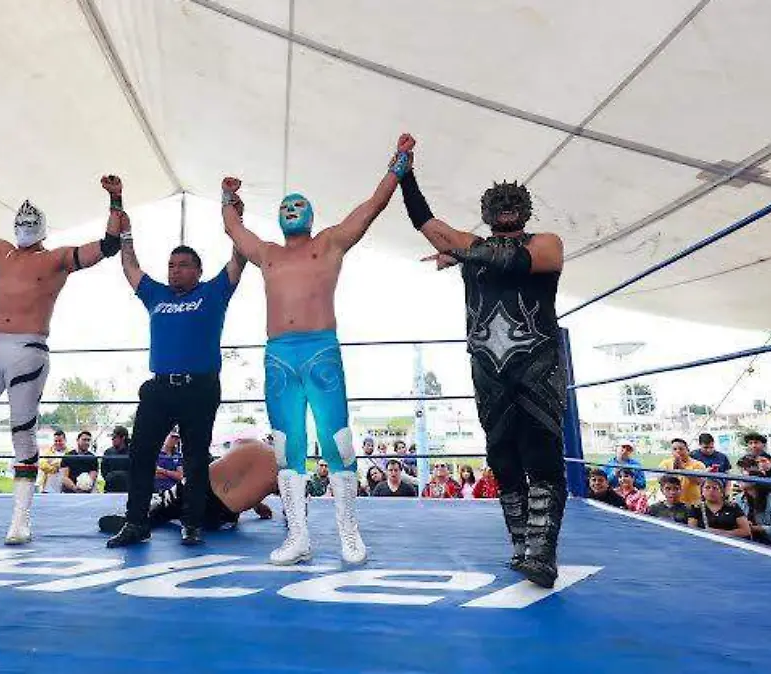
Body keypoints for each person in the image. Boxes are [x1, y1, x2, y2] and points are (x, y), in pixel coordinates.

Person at [220, 136, 409, 565]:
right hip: (279, 356)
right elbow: (234, 230)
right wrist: (229, 197)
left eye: (298, 205)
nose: (291, 209)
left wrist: (397, 166)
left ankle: (349, 532)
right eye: (285, 206)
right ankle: (298, 536)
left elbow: (371, 207)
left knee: (338, 441)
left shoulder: (329, 243)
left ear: (310, 214)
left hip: (320, 350)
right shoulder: (267, 253)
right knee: (286, 447)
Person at [0, 165, 123, 544]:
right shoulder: (5, 253)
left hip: (28, 349)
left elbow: (107, 246)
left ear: (42, 228)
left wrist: (116, 199)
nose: (24, 222)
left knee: (22, 434)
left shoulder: (57, 258)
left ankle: (20, 520)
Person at [401, 139, 567, 588]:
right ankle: (522, 544)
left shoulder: (547, 243)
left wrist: (461, 250)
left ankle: (543, 552)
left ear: (526, 207)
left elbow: (513, 259)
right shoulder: (470, 248)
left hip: (537, 364)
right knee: (502, 457)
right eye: (499, 200)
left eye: (514, 200)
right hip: (489, 368)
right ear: (487, 209)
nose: (507, 206)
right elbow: (428, 224)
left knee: (542, 453)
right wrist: (405, 174)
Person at [106, 175, 246, 549]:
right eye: (171, 265)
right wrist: (124, 226)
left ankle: (192, 523)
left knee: (196, 459)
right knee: (140, 453)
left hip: (200, 387)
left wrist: (234, 210)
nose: (174, 270)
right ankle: (136, 523)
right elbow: (130, 266)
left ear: (198, 270)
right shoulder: (156, 295)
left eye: (183, 265)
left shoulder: (214, 292)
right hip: (160, 388)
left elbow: (240, 257)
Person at [98, 439, 275, 535]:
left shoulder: (249, 444)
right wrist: (256, 501)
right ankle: (169, 516)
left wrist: (256, 502)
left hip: (200, 487)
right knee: (178, 507)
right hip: (224, 515)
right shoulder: (280, 472)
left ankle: (140, 519)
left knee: (165, 504)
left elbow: (234, 471)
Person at [737, 471, 771, 549]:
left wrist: (754, 528)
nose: (741, 479)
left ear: (755, 482)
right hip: (749, 539)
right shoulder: (740, 498)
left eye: (745, 476)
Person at [659, 438, 706, 507]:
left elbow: (699, 481)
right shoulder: (665, 463)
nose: (678, 451)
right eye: (675, 449)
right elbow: (661, 481)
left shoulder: (698, 464)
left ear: (688, 450)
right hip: (672, 504)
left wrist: (682, 468)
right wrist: (674, 470)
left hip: (693, 504)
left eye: (681, 449)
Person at [100, 426, 132, 493]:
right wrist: (110, 477)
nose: (112, 439)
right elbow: (104, 471)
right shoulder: (108, 452)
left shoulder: (132, 452)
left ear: (123, 438)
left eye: (115, 437)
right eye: (112, 437)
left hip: (128, 489)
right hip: (110, 488)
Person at [154, 429, 184, 493]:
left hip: (172, 491)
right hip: (155, 489)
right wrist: (172, 474)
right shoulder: (155, 453)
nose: (174, 440)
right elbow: (154, 473)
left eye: (177, 438)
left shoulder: (178, 456)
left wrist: (162, 470)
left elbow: (180, 476)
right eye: (172, 437)